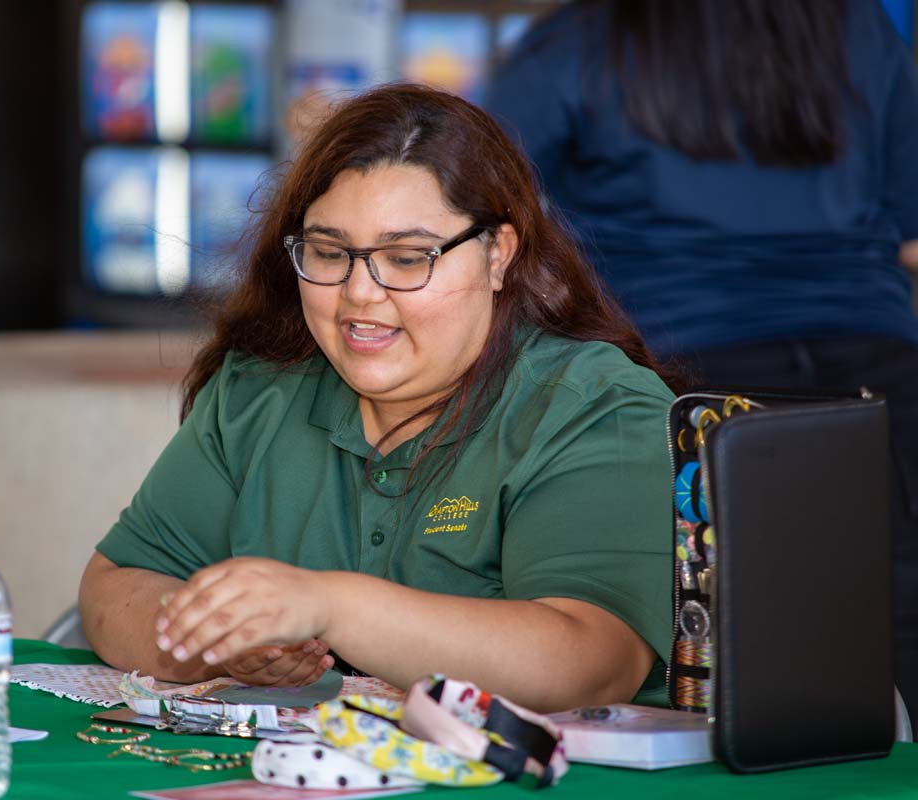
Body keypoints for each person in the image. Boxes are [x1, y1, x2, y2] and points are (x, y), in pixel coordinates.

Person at [79, 83, 681, 712]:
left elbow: (588, 664)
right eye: (331, 252)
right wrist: (217, 641)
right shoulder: (259, 390)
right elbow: (113, 586)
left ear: (498, 255)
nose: (360, 294)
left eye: (406, 257)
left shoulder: (592, 406)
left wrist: (328, 606)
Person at [485, 0, 918, 723]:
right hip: (881, 377)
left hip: (685, 386)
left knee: (708, 670)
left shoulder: (582, 37)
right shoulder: (855, 25)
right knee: (893, 628)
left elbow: (477, 205)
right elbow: (911, 237)